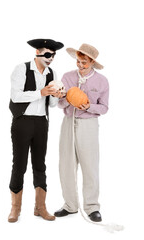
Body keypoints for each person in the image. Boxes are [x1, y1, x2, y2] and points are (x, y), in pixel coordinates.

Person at [8, 38, 64, 222]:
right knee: (20, 165)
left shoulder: (52, 73)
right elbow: (16, 96)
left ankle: (40, 207)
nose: (51, 58)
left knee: (40, 165)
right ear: (37, 53)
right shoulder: (22, 69)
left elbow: (53, 104)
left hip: (41, 123)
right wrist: (41, 92)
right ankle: (15, 208)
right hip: (22, 122)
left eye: (53, 55)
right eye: (48, 54)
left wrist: (55, 95)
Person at [54, 43, 109, 222]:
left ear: (92, 62)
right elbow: (60, 104)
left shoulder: (102, 81)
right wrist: (64, 98)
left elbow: (104, 107)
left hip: (89, 124)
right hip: (68, 122)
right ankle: (70, 205)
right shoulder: (67, 77)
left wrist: (89, 107)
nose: (80, 65)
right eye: (78, 61)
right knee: (66, 165)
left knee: (90, 166)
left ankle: (92, 207)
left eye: (84, 62)